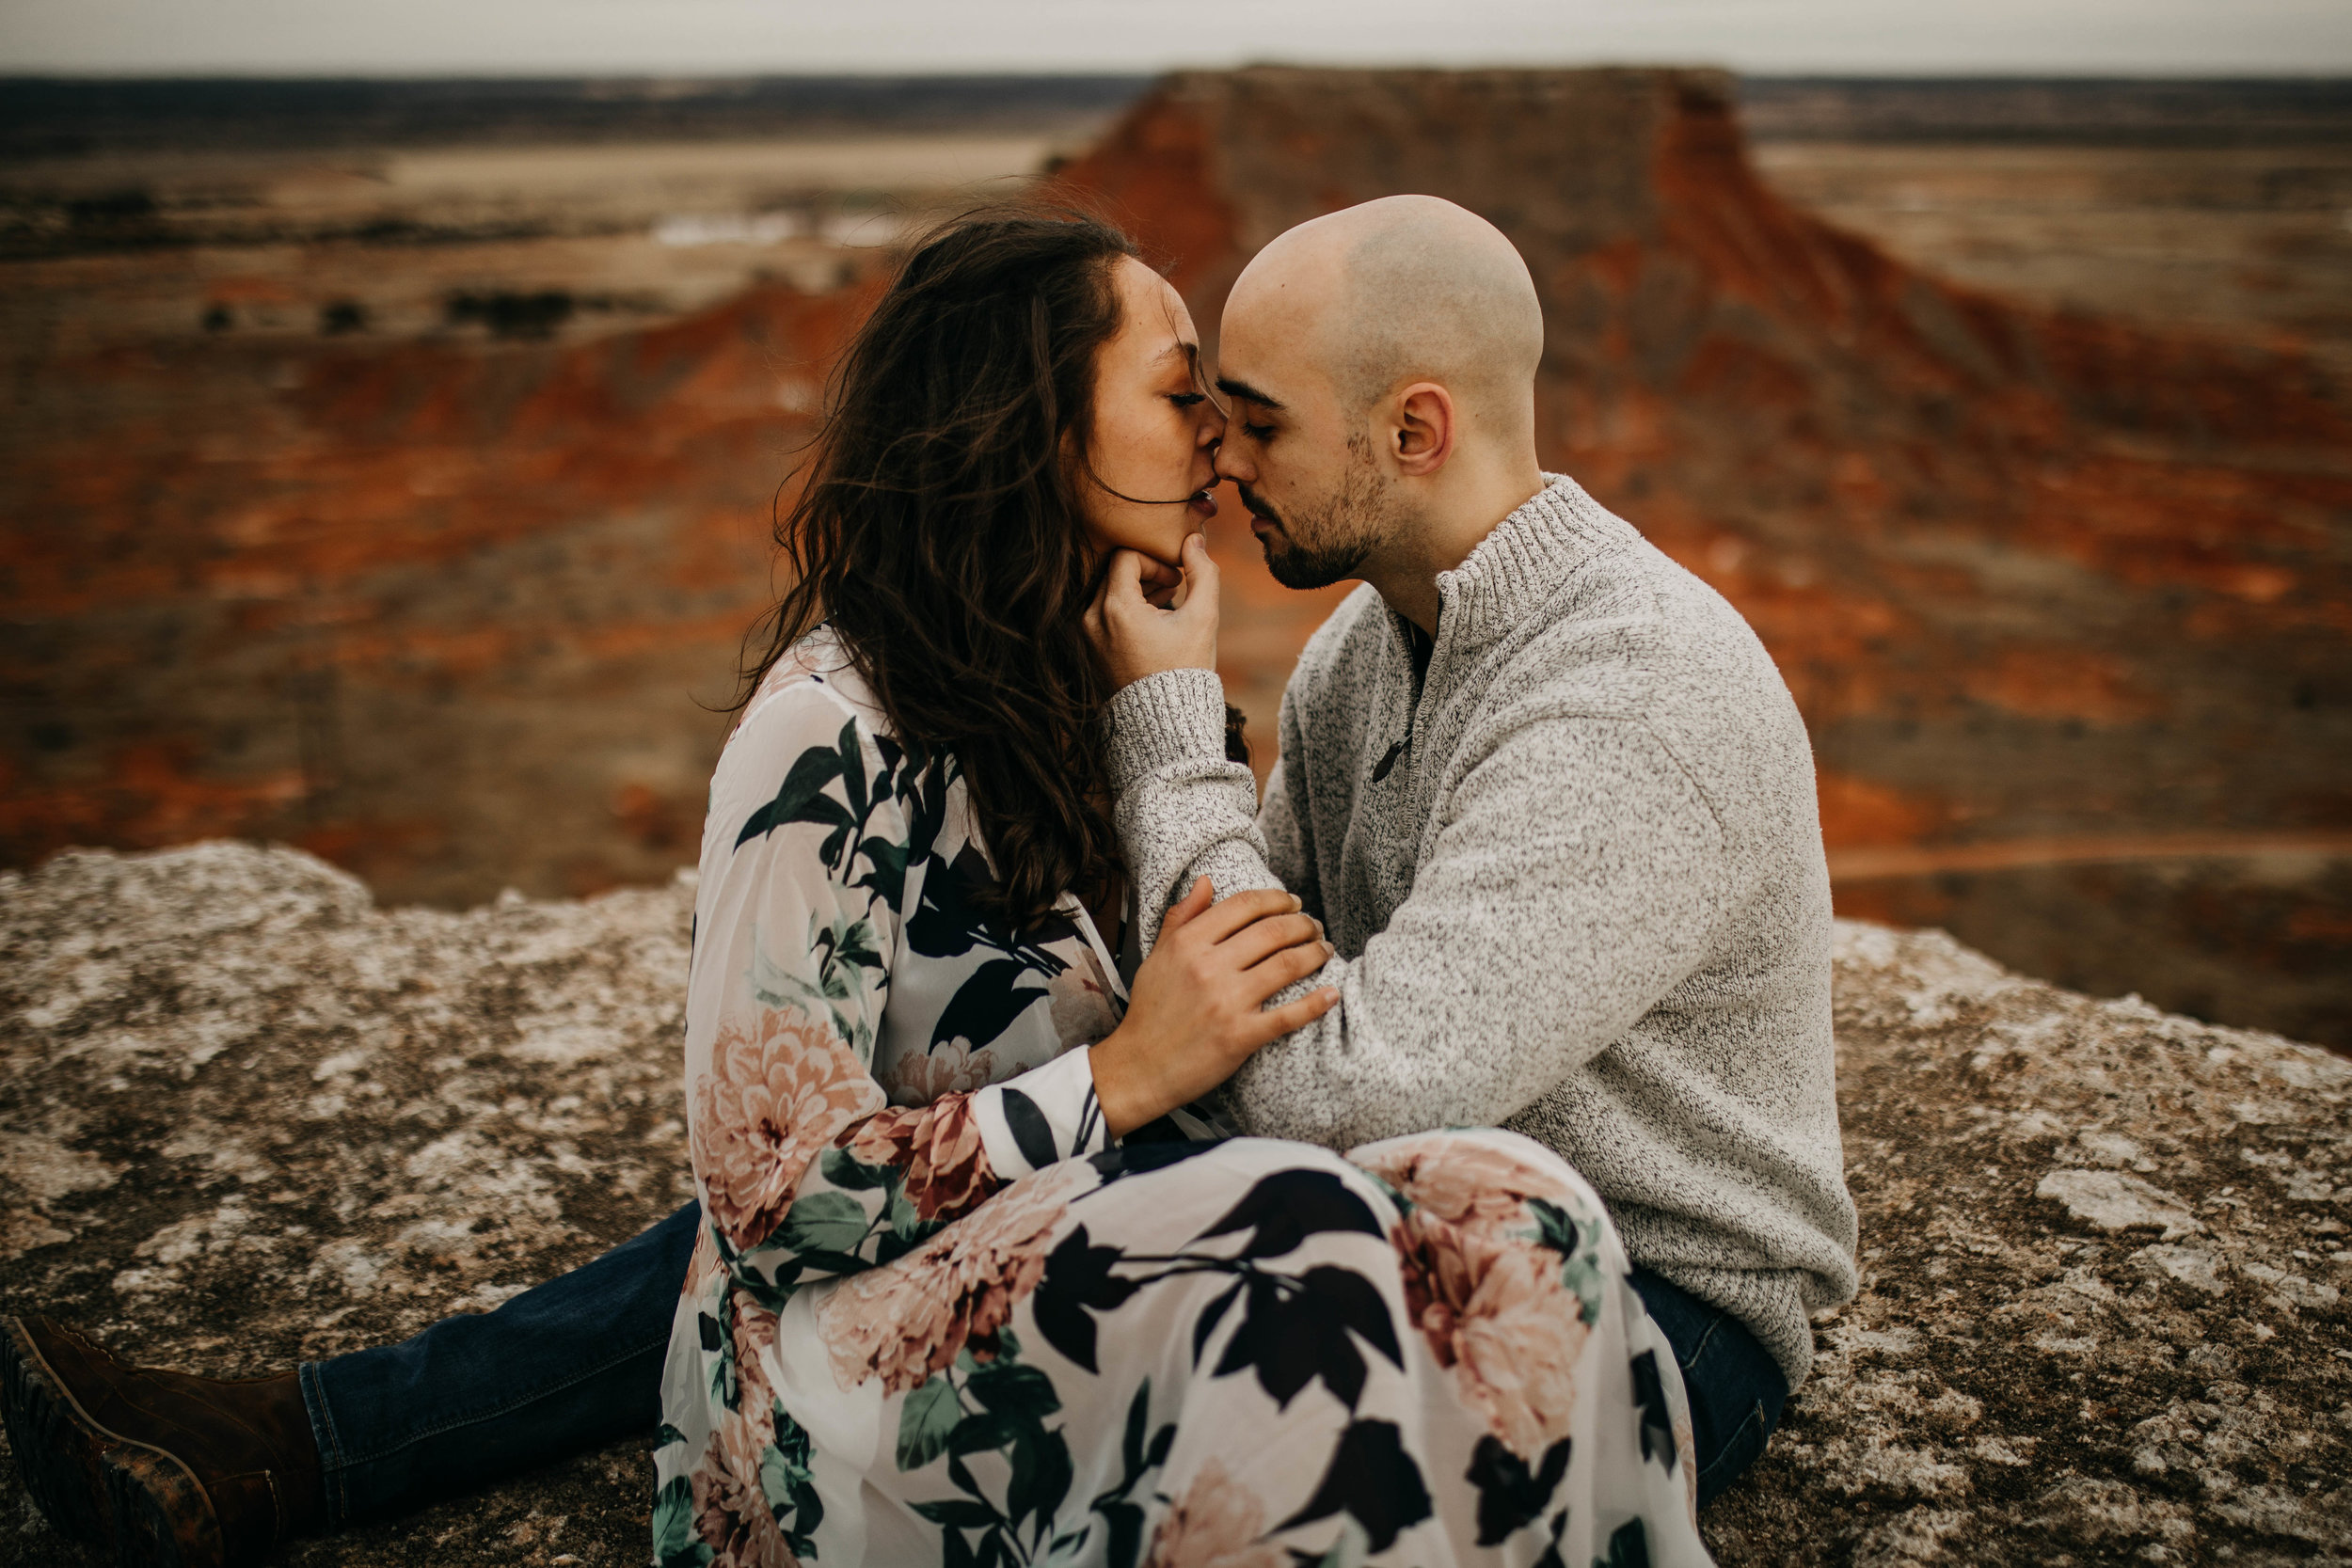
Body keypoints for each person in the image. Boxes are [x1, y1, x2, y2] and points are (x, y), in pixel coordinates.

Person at [0, 196, 1852, 1568]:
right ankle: (296, 1453)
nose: (1221, 454)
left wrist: (1167, 732)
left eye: (1259, 419)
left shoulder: (1632, 702)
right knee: (895, 1189)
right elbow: (1236, 981)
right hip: (1399, 1200)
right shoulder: (1382, 647)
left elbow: (1301, 1072)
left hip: (1644, 1315)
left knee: (954, 1224)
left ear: (1416, 431)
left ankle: (315, 1455)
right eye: (1199, 407)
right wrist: (1087, 1050)